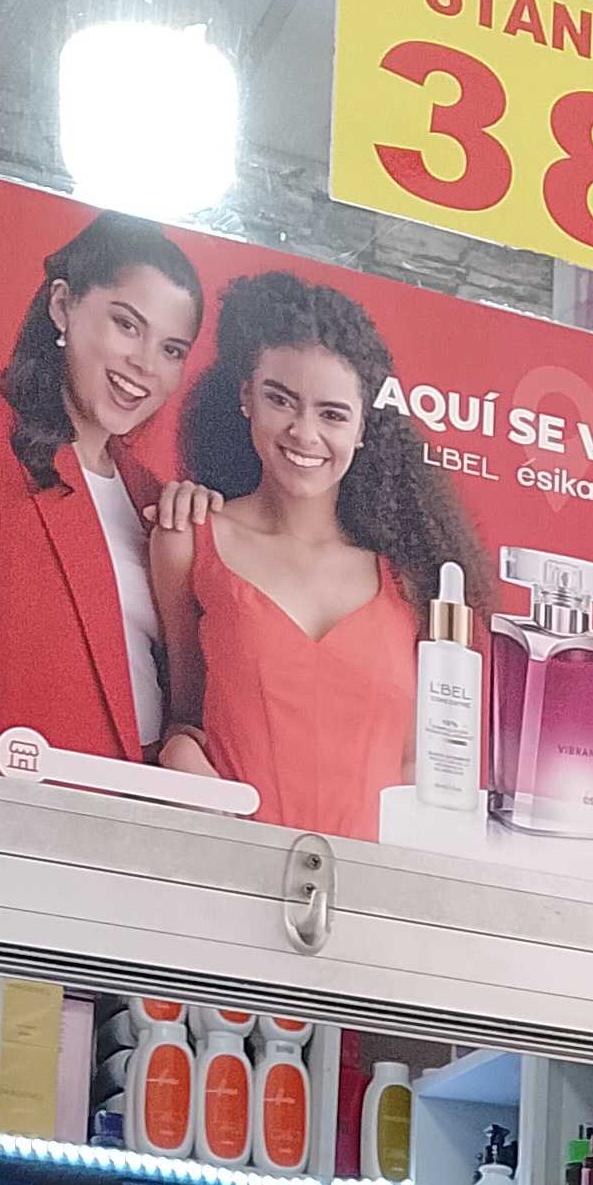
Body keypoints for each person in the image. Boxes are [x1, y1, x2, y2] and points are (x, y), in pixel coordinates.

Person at [151, 268, 473, 840]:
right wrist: (183, 760)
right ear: (247, 398)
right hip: (229, 870)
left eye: (332, 413)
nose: (304, 432)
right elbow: (185, 717)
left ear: (364, 428)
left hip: (377, 882)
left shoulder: (409, 580)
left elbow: (418, 767)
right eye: (281, 399)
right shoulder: (189, 540)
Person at [0, 211, 208, 765]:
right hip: (16, 786)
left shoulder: (153, 498)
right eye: (127, 325)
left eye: (172, 349)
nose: (145, 365)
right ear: (63, 305)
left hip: (137, 795)